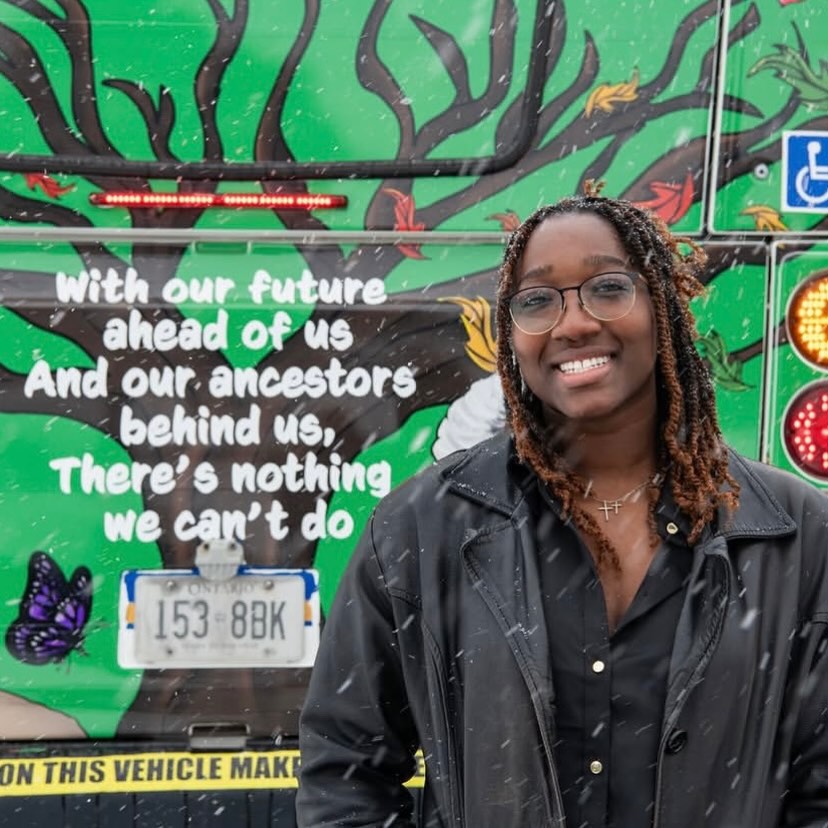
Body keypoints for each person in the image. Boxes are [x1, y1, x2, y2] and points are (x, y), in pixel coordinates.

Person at [296, 185, 828, 827]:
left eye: (608, 288)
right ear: (511, 335)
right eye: (538, 301)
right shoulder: (420, 529)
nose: (573, 324)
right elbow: (346, 770)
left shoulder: (795, 536)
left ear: (663, 308)